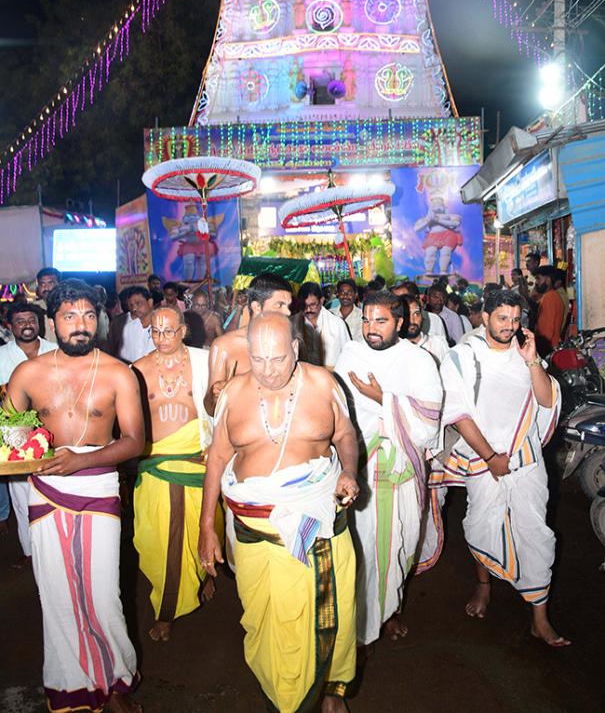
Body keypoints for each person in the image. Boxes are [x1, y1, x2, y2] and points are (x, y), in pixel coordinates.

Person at [199, 312, 359, 713]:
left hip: (317, 523)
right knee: (265, 621)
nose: (269, 371)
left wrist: (351, 473)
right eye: (258, 359)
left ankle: (327, 691)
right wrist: (207, 527)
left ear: (295, 348)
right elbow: (217, 459)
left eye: (278, 359)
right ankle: (284, 693)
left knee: (328, 615)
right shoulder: (233, 393)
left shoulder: (323, 384)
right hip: (255, 533)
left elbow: (346, 436)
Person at [7, 279, 144, 711]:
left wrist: (82, 461)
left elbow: (135, 441)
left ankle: (117, 683)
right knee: (57, 593)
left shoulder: (120, 372)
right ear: (53, 322)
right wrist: (21, 446)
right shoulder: (28, 373)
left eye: (88, 316)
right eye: (69, 317)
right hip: (46, 490)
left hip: (98, 486)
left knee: (103, 594)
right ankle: (71, 686)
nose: (80, 325)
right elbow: (9, 435)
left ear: (99, 319)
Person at [435, 289, 568, 646]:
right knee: (482, 525)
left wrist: (531, 360)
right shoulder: (463, 356)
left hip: (526, 460)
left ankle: (539, 618)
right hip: (484, 460)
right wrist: (491, 458)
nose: (509, 326)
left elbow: (546, 399)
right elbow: (459, 414)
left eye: (514, 319)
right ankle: (484, 585)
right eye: (502, 318)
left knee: (536, 532)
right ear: (484, 316)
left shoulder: (525, 351)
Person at [334, 290, 443, 646]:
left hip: (400, 477)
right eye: (366, 320)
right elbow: (336, 412)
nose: (370, 328)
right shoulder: (350, 353)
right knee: (362, 551)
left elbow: (428, 425)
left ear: (400, 322)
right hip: (360, 475)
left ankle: (389, 609)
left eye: (380, 321)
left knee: (397, 551)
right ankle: (363, 625)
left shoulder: (419, 360)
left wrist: (382, 399)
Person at [132, 306, 223, 643]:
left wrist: (215, 442)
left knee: (204, 527)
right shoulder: (138, 370)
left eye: (169, 331)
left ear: (184, 330)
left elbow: (221, 407)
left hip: (198, 461)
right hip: (157, 464)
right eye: (156, 332)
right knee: (157, 540)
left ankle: (197, 582)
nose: (162, 338)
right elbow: (131, 422)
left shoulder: (205, 361)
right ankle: (167, 605)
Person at [0, 302, 55, 568]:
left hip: (55, 432)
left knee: (54, 491)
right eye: (19, 320)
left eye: (31, 319)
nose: (26, 324)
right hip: (16, 435)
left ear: (39, 322)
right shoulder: (2, 356)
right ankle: (30, 551)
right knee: (22, 496)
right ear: (10, 326)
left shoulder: (55, 351)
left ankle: (55, 549)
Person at [204, 273, 292, 415]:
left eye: (288, 306)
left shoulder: (291, 343)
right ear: (256, 307)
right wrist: (217, 396)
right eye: (280, 305)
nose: (287, 312)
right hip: (241, 430)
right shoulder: (225, 346)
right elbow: (211, 410)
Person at [294, 281, 350, 369]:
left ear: (321, 301)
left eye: (312, 305)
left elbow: (348, 357)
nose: (308, 309)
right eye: (304, 305)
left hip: (332, 378)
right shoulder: (294, 324)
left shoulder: (337, 324)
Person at [405, 296, 449, 365]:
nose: (412, 320)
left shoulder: (438, 344)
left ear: (422, 316)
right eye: (406, 315)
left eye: (416, 314)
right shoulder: (393, 348)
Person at [119, 286, 156, 363]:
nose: (134, 308)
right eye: (131, 305)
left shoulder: (163, 325)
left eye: (138, 303)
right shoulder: (129, 328)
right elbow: (126, 358)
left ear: (150, 302)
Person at [534, 266, 564, 357]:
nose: (536, 282)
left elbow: (547, 331)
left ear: (548, 280)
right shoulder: (551, 296)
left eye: (538, 279)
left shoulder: (549, 297)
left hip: (548, 348)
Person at [32, 266, 61, 343]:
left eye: (50, 283)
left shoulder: (69, 306)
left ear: (59, 285)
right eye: (42, 284)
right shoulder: (33, 308)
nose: (46, 287)